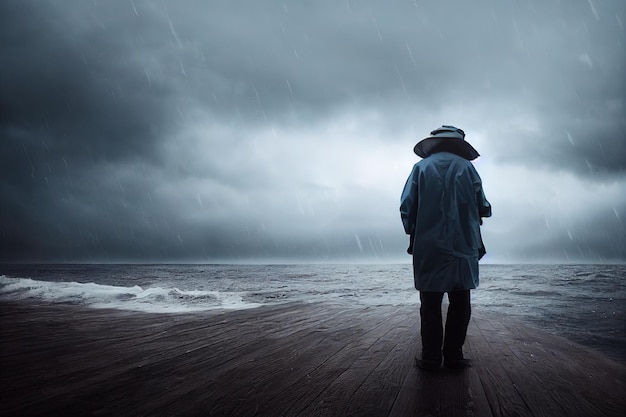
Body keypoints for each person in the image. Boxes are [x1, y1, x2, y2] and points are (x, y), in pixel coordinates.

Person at [400, 125, 491, 370]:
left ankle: (430, 357)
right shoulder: (468, 169)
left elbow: (407, 207)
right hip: (463, 245)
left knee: (430, 302)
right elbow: (483, 206)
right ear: (459, 144)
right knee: (460, 301)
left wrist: (415, 232)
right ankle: (453, 356)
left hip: (428, 245)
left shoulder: (420, 168)